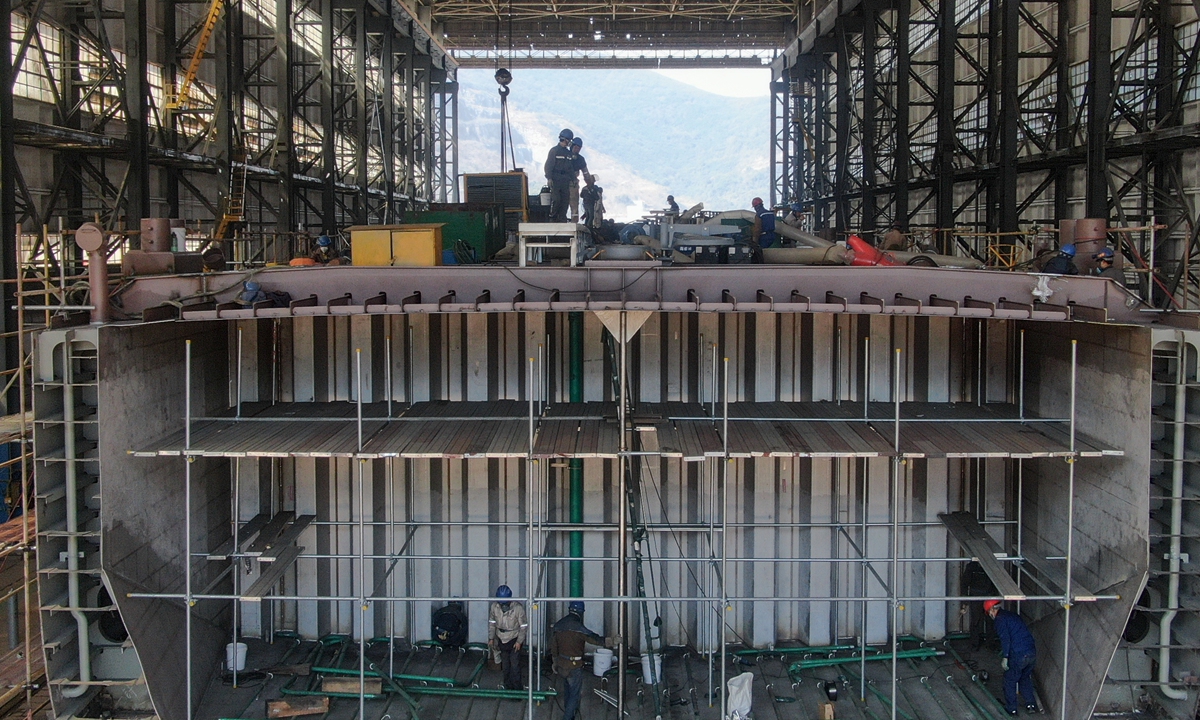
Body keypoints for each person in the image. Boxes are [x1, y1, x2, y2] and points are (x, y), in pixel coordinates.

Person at [550, 601, 605, 720]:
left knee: (567, 691)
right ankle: (568, 717)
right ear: (581, 612)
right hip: (574, 666)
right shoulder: (578, 628)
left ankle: (570, 715)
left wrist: (555, 662)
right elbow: (594, 639)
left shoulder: (558, 625)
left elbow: (554, 647)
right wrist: (611, 641)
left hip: (561, 664)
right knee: (574, 695)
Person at [985, 600, 1039, 716]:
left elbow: (1005, 639)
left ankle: (1012, 709)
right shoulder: (1012, 615)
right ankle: (1031, 705)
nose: (990, 615)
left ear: (991, 610)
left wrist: (1005, 657)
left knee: (1009, 680)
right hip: (1031, 651)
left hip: (1018, 654)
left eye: (989, 613)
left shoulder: (1000, 620)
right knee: (1024, 678)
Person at [488, 585, 528, 691]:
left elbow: (523, 627)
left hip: (514, 639)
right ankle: (508, 688)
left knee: (514, 665)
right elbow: (492, 623)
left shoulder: (518, 608)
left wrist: (519, 641)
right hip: (501, 639)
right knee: (505, 665)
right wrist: (491, 638)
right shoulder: (494, 607)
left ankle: (517, 690)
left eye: (505, 603)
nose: (503, 606)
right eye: (501, 603)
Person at [963, 561, 997, 649]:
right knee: (976, 620)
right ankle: (975, 643)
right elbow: (965, 583)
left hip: (988, 596)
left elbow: (996, 582)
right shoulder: (972, 566)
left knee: (990, 620)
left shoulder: (991, 565)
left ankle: (990, 644)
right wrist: (965, 601)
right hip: (977, 597)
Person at [543, 129, 575, 222]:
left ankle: (562, 218)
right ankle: (552, 217)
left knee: (565, 201)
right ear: (565, 139)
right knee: (556, 199)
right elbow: (548, 165)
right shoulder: (554, 151)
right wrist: (549, 178)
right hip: (556, 179)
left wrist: (573, 179)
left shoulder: (568, 153)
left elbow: (570, 168)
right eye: (569, 140)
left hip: (565, 180)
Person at [568, 137, 588, 223]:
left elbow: (586, 173)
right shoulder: (564, 154)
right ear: (571, 146)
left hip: (573, 184)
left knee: (574, 204)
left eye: (579, 148)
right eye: (576, 147)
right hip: (561, 182)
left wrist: (590, 185)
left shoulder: (580, 159)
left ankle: (574, 222)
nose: (577, 149)